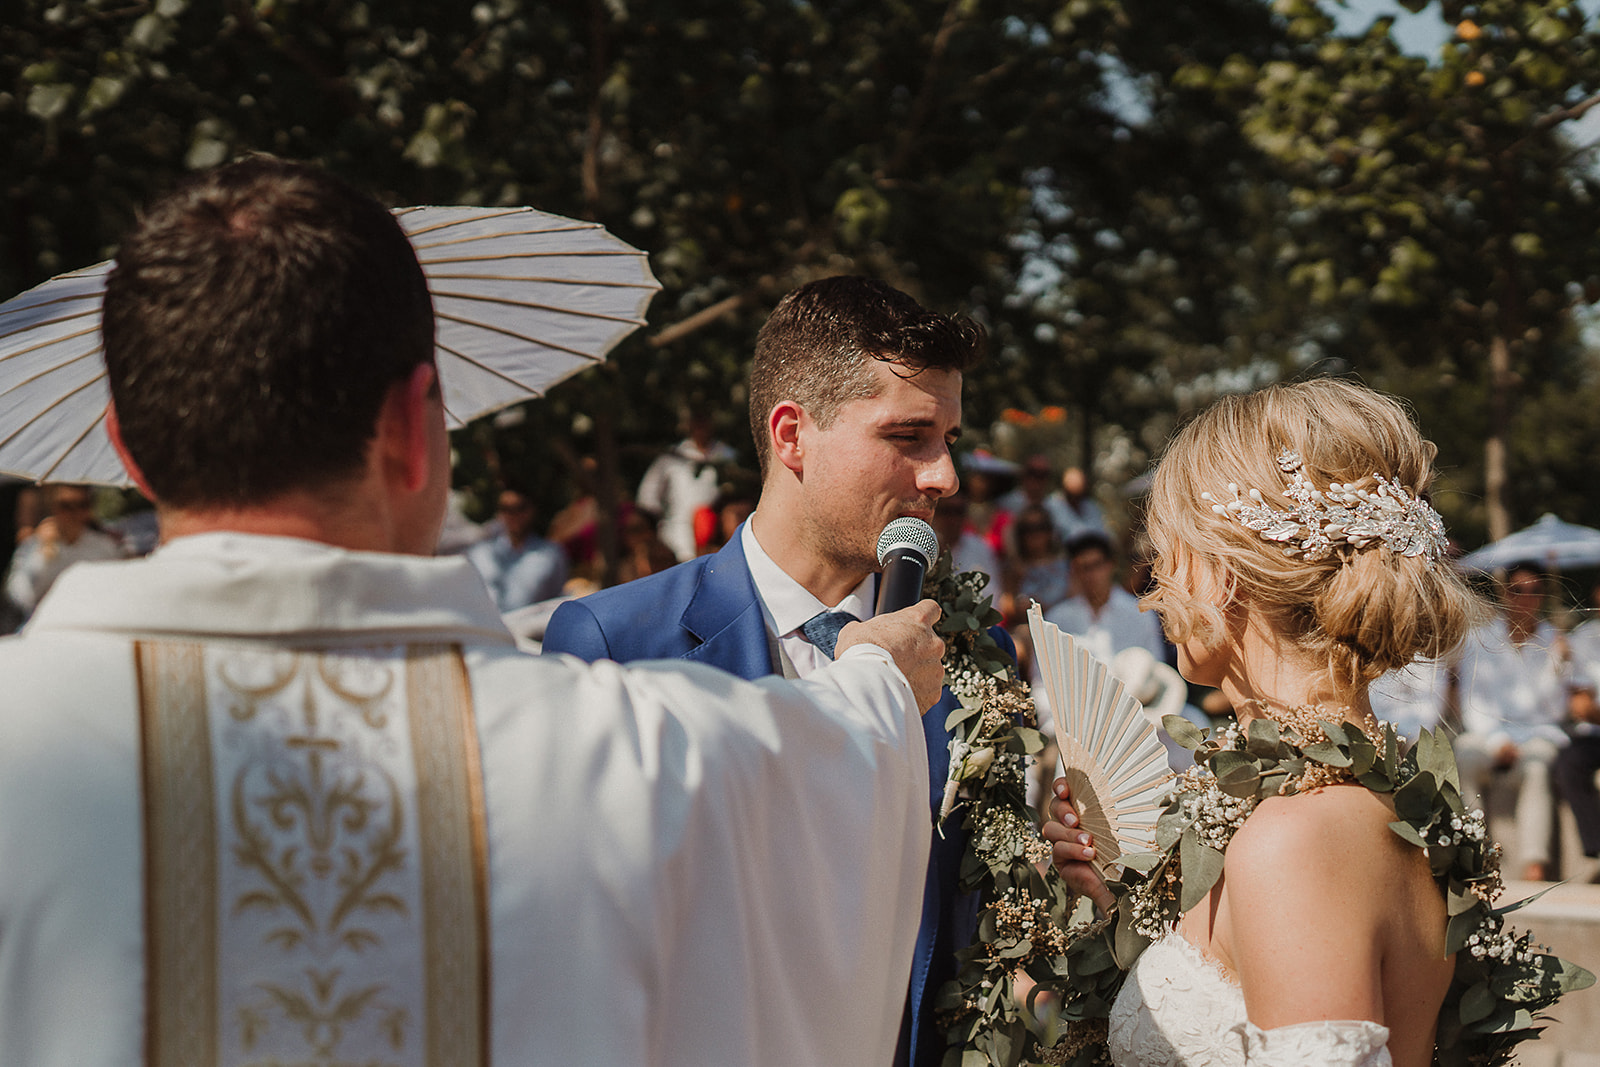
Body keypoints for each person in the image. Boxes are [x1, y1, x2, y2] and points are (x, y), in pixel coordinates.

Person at [0, 158, 952, 1067]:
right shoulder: (636, 749)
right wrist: (877, 676)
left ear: (126, 449)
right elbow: (834, 793)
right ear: (417, 429)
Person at [544, 274, 993, 1067]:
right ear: (792, 435)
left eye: (948, 440)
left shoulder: (970, 654)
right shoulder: (616, 642)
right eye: (907, 436)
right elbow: (582, 940)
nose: (943, 477)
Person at [1044, 378, 1479, 1066]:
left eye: (1167, 554)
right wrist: (1118, 915)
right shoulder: (1391, 802)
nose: (1154, 590)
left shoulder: (1295, 838)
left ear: (1222, 576)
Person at [1452, 562, 1569, 881]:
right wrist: (1496, 741)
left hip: (1536, 734)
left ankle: (1535, 864)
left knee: (1537, 767)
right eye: (1518, 591)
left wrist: (1559, 665)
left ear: (1542, 596)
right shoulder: (1479, 638)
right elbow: (1471, 702)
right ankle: (1470, 854)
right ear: (1506, 594)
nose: (1525, 599)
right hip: (1488, 733)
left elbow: (1554, 710)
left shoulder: (1554, 641)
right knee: (1464, 755)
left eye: (1533, 592)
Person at [4, 483, 124, 623]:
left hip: (91, 621)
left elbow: (115, 593)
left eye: (82, 505)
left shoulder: (105, 547)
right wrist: (43, 554)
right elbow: (21, 597)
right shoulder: (33, 545)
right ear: (53, 507)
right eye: (66, 506)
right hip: (44, 623)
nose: (74, 513)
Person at [1042, 530, 1164, 665]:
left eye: (1096, 565)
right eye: (1084, 568)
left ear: (1110, 564)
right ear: (1074, 571)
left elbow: (1156, 666)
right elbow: (1042, 676)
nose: (1091, 575)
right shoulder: (1058, 619)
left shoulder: (1139, 614)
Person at [634, 407, 738, 562]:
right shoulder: (673, 457)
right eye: (697, 422)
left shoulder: (726, 456)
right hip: (675, 536)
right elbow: (647, 495)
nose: (701, 427)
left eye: (704, 421)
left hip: (716, 535)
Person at [464, 486, 569, 611]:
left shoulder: (551, 554)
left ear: (531, 510)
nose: (513, 515)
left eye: (520, 508)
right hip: (488, 627)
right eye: (506, 509)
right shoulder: (480, 554)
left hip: (530, 627)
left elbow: (556, 599)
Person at [1555, 580, 1600, 870]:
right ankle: (1596, 849)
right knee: (1569, 764)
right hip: (1595, 732)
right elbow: (1580, 706)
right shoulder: (1583, 638)